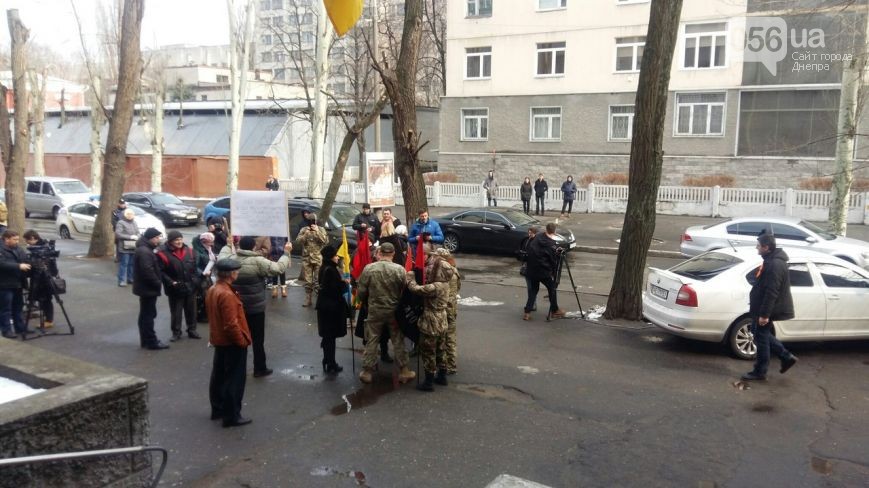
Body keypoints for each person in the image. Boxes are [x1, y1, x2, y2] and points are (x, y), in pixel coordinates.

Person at [219, 235, 291, 378]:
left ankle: (237, 369)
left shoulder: (231, 259)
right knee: (258, 339)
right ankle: (260, 368)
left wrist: (228, 245)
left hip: (237, 307)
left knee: (238, 338)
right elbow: (278, 268)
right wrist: (286, 253)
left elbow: (221, 257)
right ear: (253, 247)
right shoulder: (258, 261)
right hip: (255, 308)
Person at [356, 242, 416, 384]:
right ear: (393, 254)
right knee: (397, 340)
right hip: (394, 311)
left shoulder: (369, 268)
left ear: (380, 252)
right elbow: (405, 290)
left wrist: (363, 301)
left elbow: (361, 291)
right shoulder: (400, 270)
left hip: (375, 310)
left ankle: (367, 371)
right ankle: (403, 370)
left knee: (372, 339)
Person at [742, 234, 799, 381]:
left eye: (758, 245)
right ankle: (785, 357)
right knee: (760, 333)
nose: (756, 248)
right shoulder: (771, 260)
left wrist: (765, 315)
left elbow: (772, 291)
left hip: (767, 309)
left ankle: (760, 371)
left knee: (761, 338)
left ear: (766, 248)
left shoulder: (774, 264)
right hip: (763, 307)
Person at [207, 258, 253, 428]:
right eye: (237, 271)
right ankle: (232, 415)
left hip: (219, 340)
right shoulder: (226, 294)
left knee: (219, 376)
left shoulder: (214, 289)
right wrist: (241, 341)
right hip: (231, 342)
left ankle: (218, 409)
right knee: (234, 380)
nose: (238, 273)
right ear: (232, 274)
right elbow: (231, 323)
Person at [406, 252, 455, 391]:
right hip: (442, 320)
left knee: (428, 350)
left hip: (430, 321)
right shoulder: (445, 284)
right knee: (441, 349)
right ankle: (442, 376)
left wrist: (410, 278)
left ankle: (428, 382)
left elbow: (416, 289)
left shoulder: (435, 287)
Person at [157, 230, 201, 342]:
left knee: (191, 310)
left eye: (180, 239)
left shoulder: (190, 251)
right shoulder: (162, 253)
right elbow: (161, 272)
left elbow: (195, 269)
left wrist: (195, 281)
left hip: (190, 287)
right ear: (170, 241)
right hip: (175, 288)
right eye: (176, 240)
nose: (179, 241)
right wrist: (171, 282)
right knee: (176, 312)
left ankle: (192, 330)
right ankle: (176, 332)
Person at [133, 228, 169, 350]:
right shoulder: (145, 252)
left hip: (145, 288)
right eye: (157, 238)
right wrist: (157, 282)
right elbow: (147, 271)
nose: (159, 240)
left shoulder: (145, 249)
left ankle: (145, 340)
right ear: (151, 238)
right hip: (147, 289)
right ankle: (151, 341)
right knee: (148, 315)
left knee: (145, 314)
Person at [316, 245, 349, 374]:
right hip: (331, 307)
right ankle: (331, 363)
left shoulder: (324, 267)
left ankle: (328, 360)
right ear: (331, 257)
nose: (337, 257)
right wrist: (344, 283)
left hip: (324, 306)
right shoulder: (330, 270)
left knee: (328, 337)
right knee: (330, 337)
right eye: (335, 255)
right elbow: (333, 289)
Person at [525, 223, 565, 321]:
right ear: (554, 231)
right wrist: (553, 271)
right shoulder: (551, 244)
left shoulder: (537, 237)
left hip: (531, 269)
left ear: (546, 229)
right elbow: (553, 260)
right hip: (543, 271)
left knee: (533, 290)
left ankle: (527, 312)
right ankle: (555, 311)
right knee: (552, 288)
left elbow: (530, 250)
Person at [23, 230, 59, 329]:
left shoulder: (42, 248)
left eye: (28, 241)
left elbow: (44, 263)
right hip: (43, 276)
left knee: (46, 299)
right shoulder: (43, 246)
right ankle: (47, 319)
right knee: (44, 299)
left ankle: (48, 320)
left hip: (43, 278)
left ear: (33, 238)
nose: (27, 243)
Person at [0, 230, 32, 339]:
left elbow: (25, 260)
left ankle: (20, 327)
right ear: (6, 239)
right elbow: (2, 264)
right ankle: (6, 330)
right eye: (14, 239)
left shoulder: (18, 249)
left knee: (18, 307)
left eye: (18, 239)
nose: (17, 242)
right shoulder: (1, 249)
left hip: (17, 282)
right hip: (4, 284)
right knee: (5, 309)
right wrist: (18, 266)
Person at [435, 248, 461, 375]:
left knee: (442, 337)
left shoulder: (442, 272)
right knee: (451, 337)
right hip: (453, 307)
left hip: (444, 307)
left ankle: (444, 363)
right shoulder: (454, 270)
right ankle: (452, 364)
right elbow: (458, 288)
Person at [294, 214, 329, 307]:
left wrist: (317, 231)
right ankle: (308, 298)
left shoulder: (321, 229)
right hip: (307, 258)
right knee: (308, 280)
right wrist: (305, 234)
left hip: (318, 258)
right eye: (310, 221)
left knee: (318, 280)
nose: (311, 222)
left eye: (313, 220)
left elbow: (325, 241)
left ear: (316, 221)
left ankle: (320, 299)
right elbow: (297, 241)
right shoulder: (304, 230)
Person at [192, 232, 217, 322]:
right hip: (202, 278)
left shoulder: (208, 248)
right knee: (203, 297)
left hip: (208, 276)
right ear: (204, 242)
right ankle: (201, 316)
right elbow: (195, 266)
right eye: (210, 242)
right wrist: (202, 273)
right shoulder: (197, 252)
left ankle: (205, 314)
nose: (212, 244)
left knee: (207, 296)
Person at [518, 226, 539, 320]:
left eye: (531, 233)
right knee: (530, 287)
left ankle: (531, 305)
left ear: (535, 233)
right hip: (527, 267)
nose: (530, 235)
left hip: (534, 268)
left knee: (532, 288)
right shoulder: (527, 240)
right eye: (529, 233)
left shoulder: (537, 242)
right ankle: (533, 304)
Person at [115, 209, 138, 287]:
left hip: (133, 246)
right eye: (128, 214)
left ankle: (130, 278)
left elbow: (137, 232)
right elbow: (118, 234)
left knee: (132, 264)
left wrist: (138, 236)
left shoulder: (134, 222)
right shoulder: (121, 222)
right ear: (125, 215)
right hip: (124, 247)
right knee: (124, 264)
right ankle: (122, 280)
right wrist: (130, 237)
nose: (130, 216)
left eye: (131, 214)